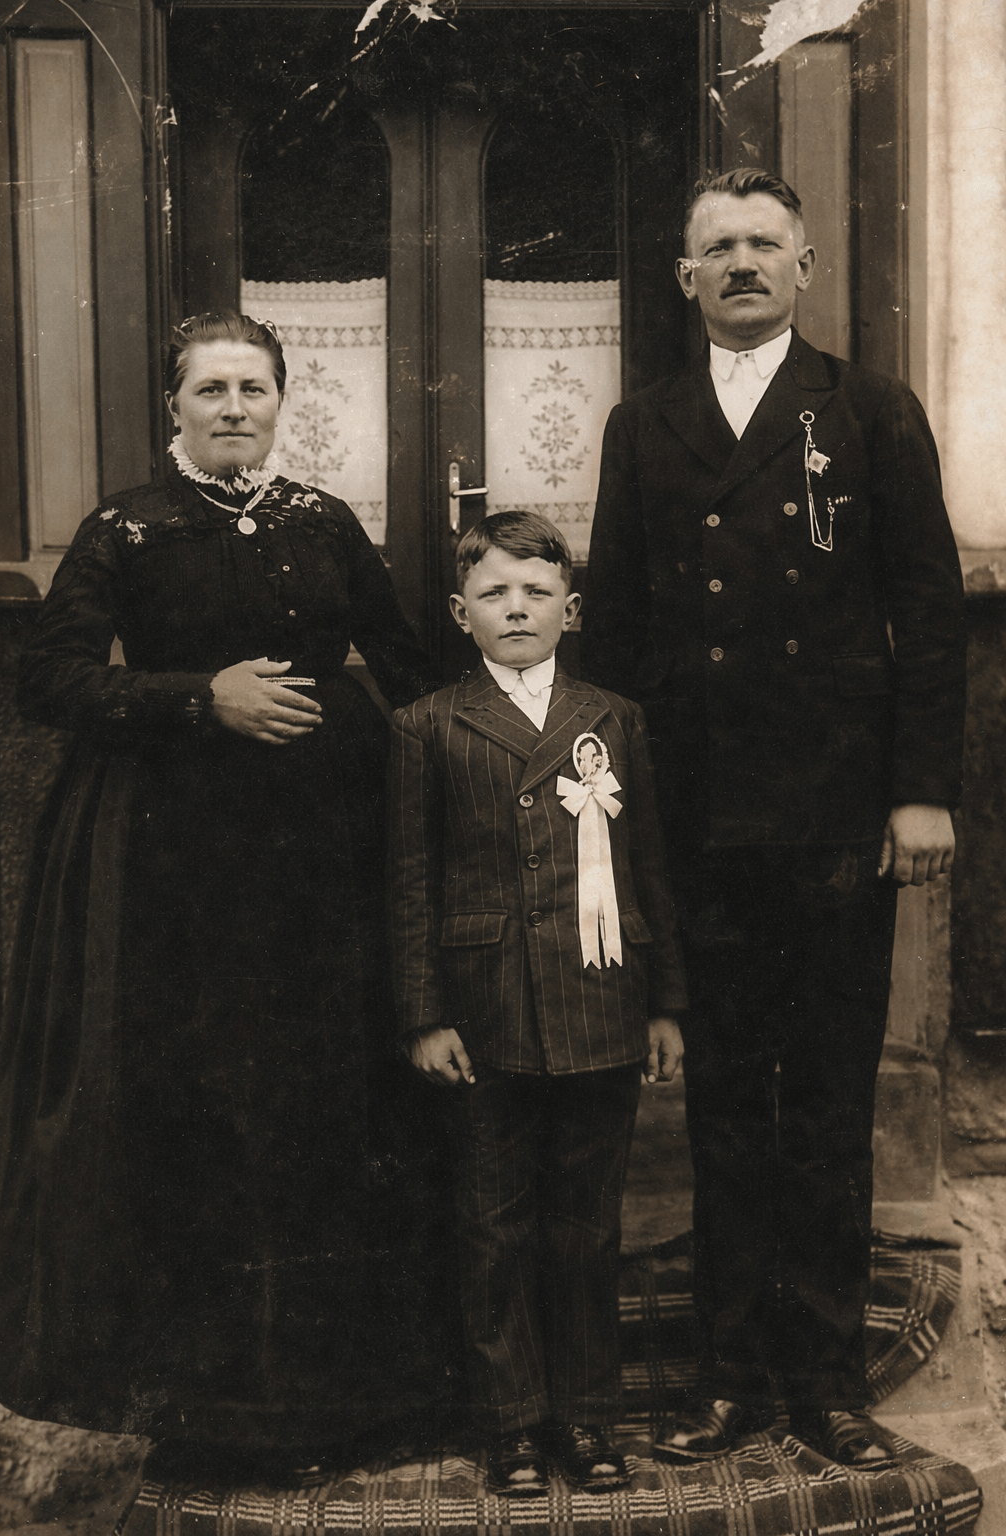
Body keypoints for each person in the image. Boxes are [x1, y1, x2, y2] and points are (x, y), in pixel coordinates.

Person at [0, 312, 441, 1466]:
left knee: (325, 1097)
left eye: (253, 389)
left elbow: (404, 661)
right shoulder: (126, 527)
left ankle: (338, 1400)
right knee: (204, 1101)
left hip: (326, 853)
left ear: (282, 401)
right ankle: (215, 1411)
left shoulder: (324, 521)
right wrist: (201, 698)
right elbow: (49, 679)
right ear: (174, 408)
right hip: (177, 859)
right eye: (210, 391)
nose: (234, 408)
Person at [581, 169, 967, 1472]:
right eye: (718, 247)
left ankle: (831, 1385)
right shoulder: (643, 424)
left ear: (804, 266)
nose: (742, 263)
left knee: (830, 1104)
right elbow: (616, 627)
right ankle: (730, 1381)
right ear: (683, 276)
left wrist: (921, 789)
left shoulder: (870, 410)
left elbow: (929, 615)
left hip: (837, 812)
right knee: (726, 1103)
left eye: (764, 243)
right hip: (696, 813)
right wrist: (617, 809)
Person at [387, 511, 688, 1496]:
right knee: (493, 1222)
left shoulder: (615, 719)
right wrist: (425, 1015)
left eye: (536, 591)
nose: (515, 609)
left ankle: (588, 1419)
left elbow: (647, 866)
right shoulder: (427, 724)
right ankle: (512, 1423)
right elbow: (411, 883)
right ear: (459, 613)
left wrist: (663, 1004)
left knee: (587, 1224)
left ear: (572, 608)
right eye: (494, 593)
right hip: (488, 1008)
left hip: (600, 996)